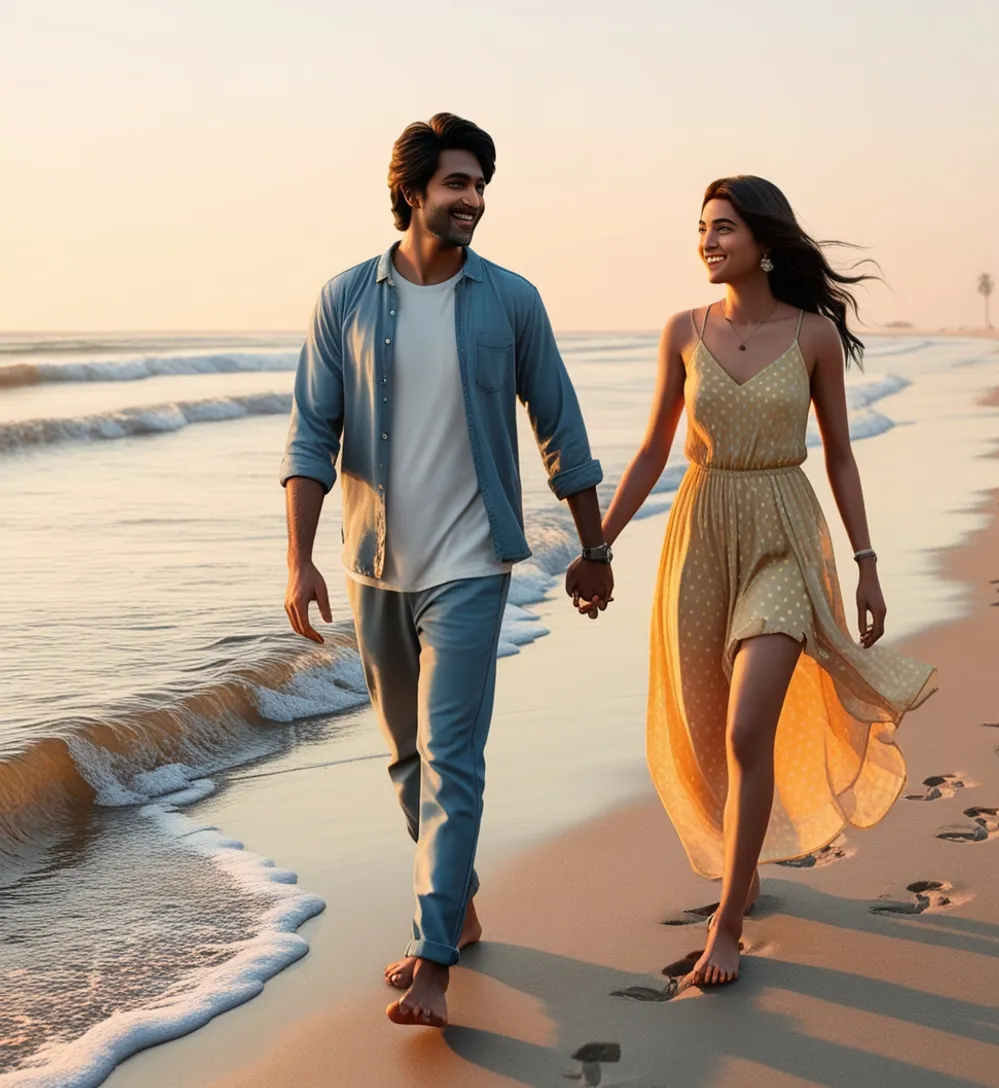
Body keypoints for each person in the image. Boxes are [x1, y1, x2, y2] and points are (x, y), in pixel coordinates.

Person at [280, 113, 614, 1028]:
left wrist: (594, 547)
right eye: (458, 184)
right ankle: (458, 909)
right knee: (403, 759)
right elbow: (313, 434)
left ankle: (433, 958)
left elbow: (562, 429)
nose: (474, 200)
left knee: (452, 761)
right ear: (413, 191)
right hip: (375, 564)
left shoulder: (510, 300)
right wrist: (299, 557)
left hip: (472, 563)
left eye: (480, 185)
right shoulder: (345, 299)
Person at [600, 176, 937, 986]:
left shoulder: (813, 334)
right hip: (700, 534)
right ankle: (741, 863)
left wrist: (866, 563)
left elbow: (842, 456)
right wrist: (596, 544)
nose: (708, 242)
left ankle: (728, 921)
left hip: (786, 532)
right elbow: (652, 451)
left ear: (763, 240)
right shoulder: (682, 331)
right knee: (710, 724)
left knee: (750, 728)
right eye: (703, 229)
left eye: (723, 229)